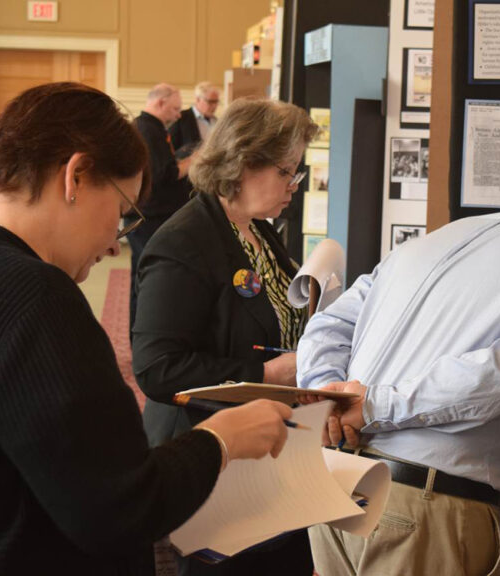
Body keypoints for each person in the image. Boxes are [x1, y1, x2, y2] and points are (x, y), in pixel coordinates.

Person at [0, 82, 295, 576]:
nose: (115, 244)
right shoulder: (34, 296)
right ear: (75, 176)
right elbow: (120, 507)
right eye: (120, 212)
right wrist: (221, 438)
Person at [297, 164, 500, 576]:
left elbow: (328, 324)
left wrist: (325, 398)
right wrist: (373, 406)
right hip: (420, 505)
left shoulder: (436, 238)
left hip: (335, 484)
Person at [132, 98, 317, 576]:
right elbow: (157, 369)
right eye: (286, 172)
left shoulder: (257, 231)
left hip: (268, 452)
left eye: (297, 172)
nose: (294, 186)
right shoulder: (183, 242)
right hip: (209, 458)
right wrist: (263, 373)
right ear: (243, 163)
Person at [126, 83, 192, 333]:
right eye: (175, 109)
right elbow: (164, 174)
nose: (178, 115)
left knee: (148, 277)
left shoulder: (151, 128)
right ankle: (142, 336)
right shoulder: (147, 129)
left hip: (153, 217)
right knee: (149, 279)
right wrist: (192, 161)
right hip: (150, 219)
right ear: (160, 103)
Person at [168, 81, 221, 157]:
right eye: (210, 102)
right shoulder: (180, 118)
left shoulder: (217, 121)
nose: (214, 106)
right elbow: (170, 149)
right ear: (198, 100)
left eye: (216, 102)